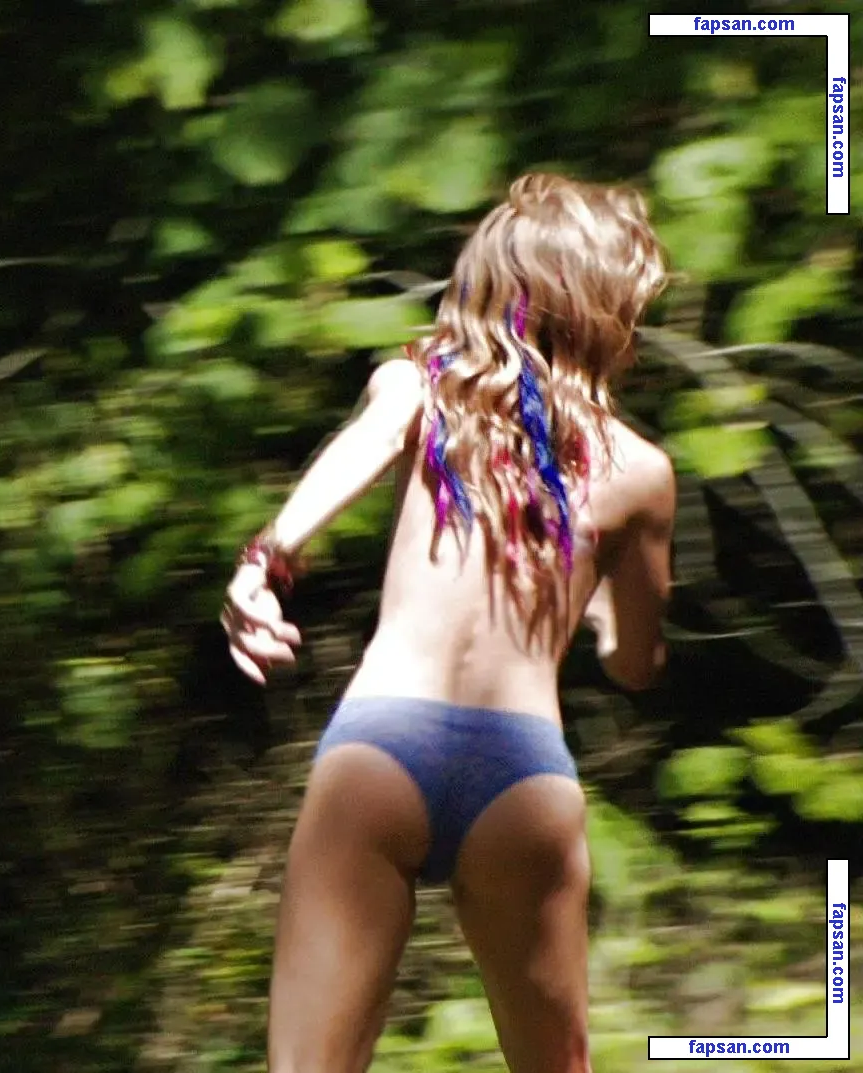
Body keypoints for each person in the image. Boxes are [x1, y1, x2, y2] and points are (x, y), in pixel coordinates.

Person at [218, 173, 678, 1073]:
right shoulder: (641, 471)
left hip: (383, 747)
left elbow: (365, 442)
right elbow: (635, 665)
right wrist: (597, 620)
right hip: (523, 778)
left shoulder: (420, 387)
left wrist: (265, 559)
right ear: (604, 312)